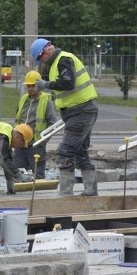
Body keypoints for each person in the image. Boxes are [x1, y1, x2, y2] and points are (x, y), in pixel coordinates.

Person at [30, 38, 99, 197]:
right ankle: (91, 190)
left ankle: (66, 193)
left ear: (46, 50)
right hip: (81, 110)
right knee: (80, 151)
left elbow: (68, 83)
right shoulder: (57, 62)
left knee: (64, 152)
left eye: (40, 58)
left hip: (81, 110)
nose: (41, 61)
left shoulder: (63, 60)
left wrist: (46, 85)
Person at [14, 70, 57, 178]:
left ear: (39, 85)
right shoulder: (23, 99)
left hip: (36, 144)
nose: (30, 88)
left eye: (32, 86)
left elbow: (52, 124)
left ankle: (39, 194)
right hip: (20, 143)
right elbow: (17, 119)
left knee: (38, 176)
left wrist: (42, 141)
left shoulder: (46, 100)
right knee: (17, 174)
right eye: (28, 86)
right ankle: (19, 193)